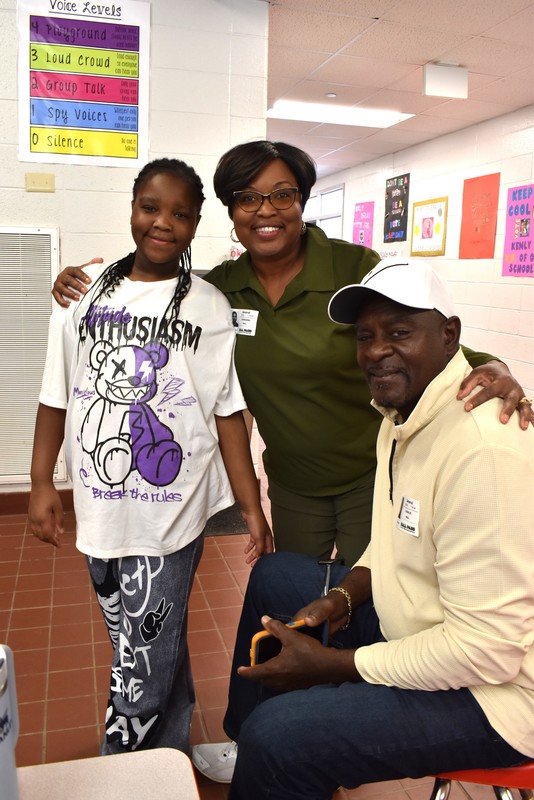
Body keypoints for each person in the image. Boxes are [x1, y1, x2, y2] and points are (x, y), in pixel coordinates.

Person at [51, 141, 533, 567]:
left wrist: (494, 366)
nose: (266, 211)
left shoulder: (352, 266)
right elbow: (148, 289)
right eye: (248, 198)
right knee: (301, 598)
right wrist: (87, 283)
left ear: (301, 202)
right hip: (292, 483)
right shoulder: (217, 292)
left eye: (282, 195)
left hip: (375, 471)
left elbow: (422, 338)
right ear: (230, 211)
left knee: (376, 599)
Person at [192, 258, 534, 797]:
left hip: (496, 696)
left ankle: (270, 753)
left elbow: (486, 651)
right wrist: (343, 599)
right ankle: (246, 751)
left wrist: (339, 665)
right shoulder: (401, 417)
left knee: (280, 738)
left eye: (399, 333)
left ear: (449, 336)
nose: (376, 351)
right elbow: (395, 536)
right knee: (277, 576)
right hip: (425, 634)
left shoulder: (480, 451)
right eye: (365, 336)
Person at [28, 158, 272, 756]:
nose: (162, 223)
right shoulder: (82, 291)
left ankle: (124, 770)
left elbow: (227, 414)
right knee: (142, 641)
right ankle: (170, 750)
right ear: (132, 208)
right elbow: (55, 394)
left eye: (180, 214)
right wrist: (41, 482)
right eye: (150, 208)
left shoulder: (210, 306)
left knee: (138, 662)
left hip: (172, 515)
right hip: (101, 512)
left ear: (194, 225)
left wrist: (251, 504)